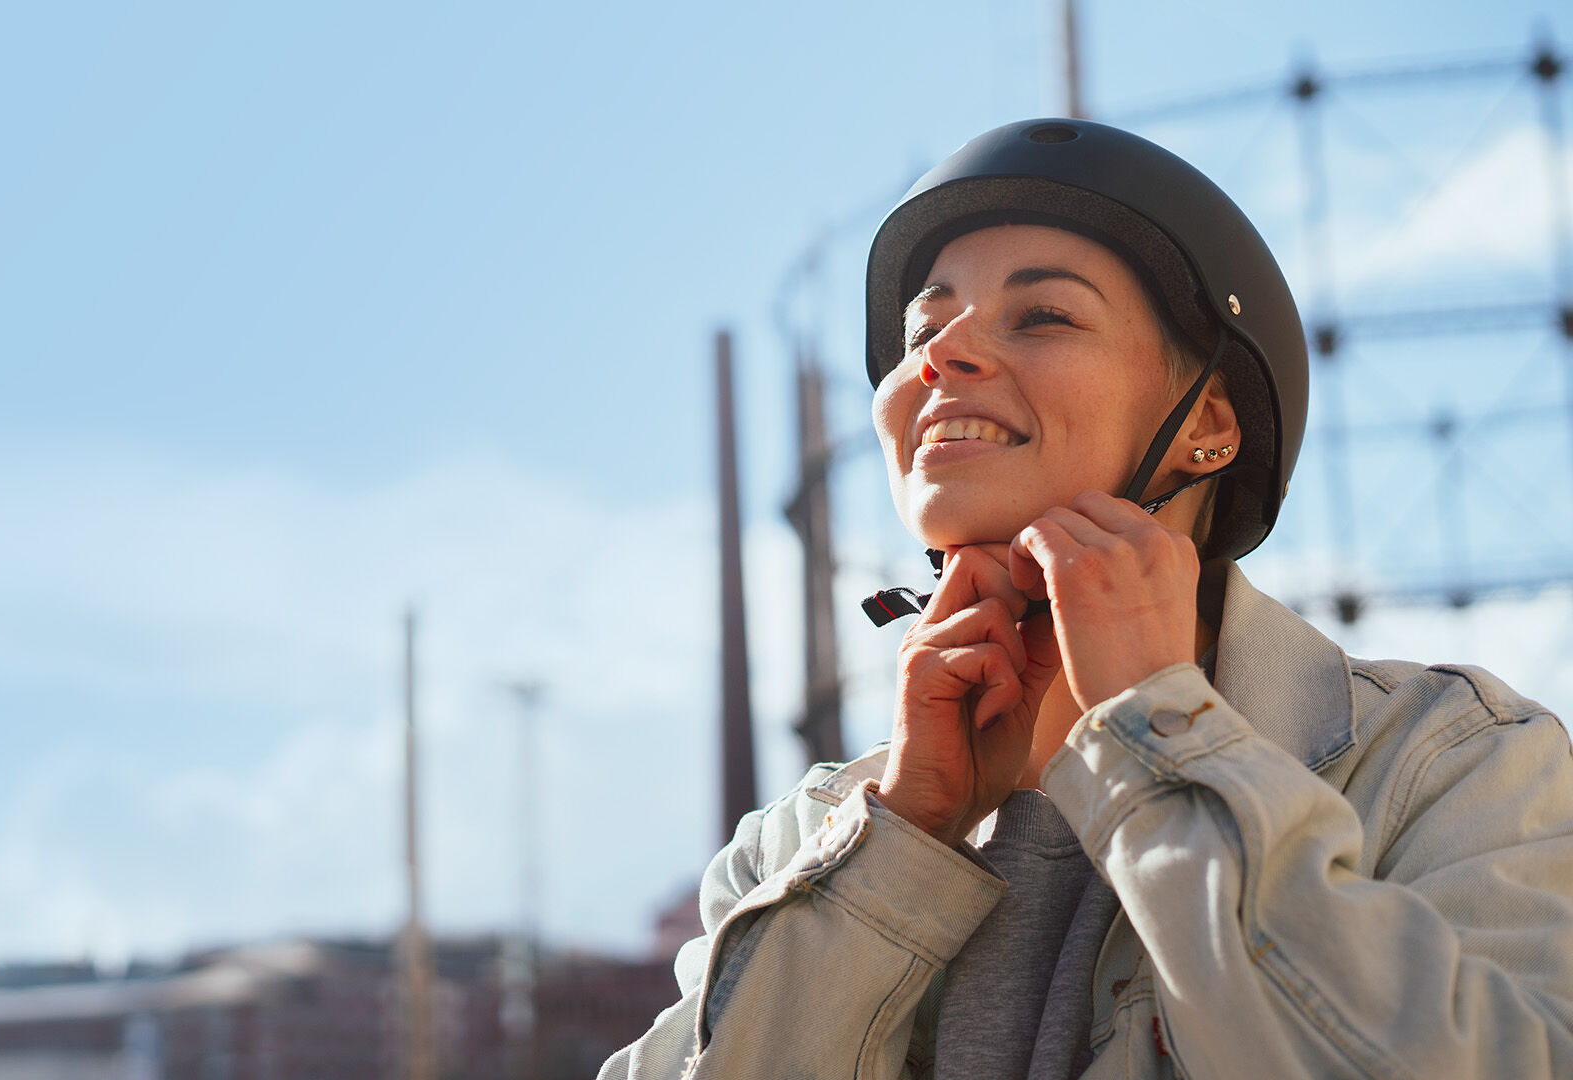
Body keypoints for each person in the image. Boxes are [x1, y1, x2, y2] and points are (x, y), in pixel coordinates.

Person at [599, 119, 1573, 1079]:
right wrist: (894, 845)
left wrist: (1162, 733)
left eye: (1045, 315)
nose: (942, 356)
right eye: (923, 329)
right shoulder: (800, 842)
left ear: (1210, 423)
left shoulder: (1447, 762)